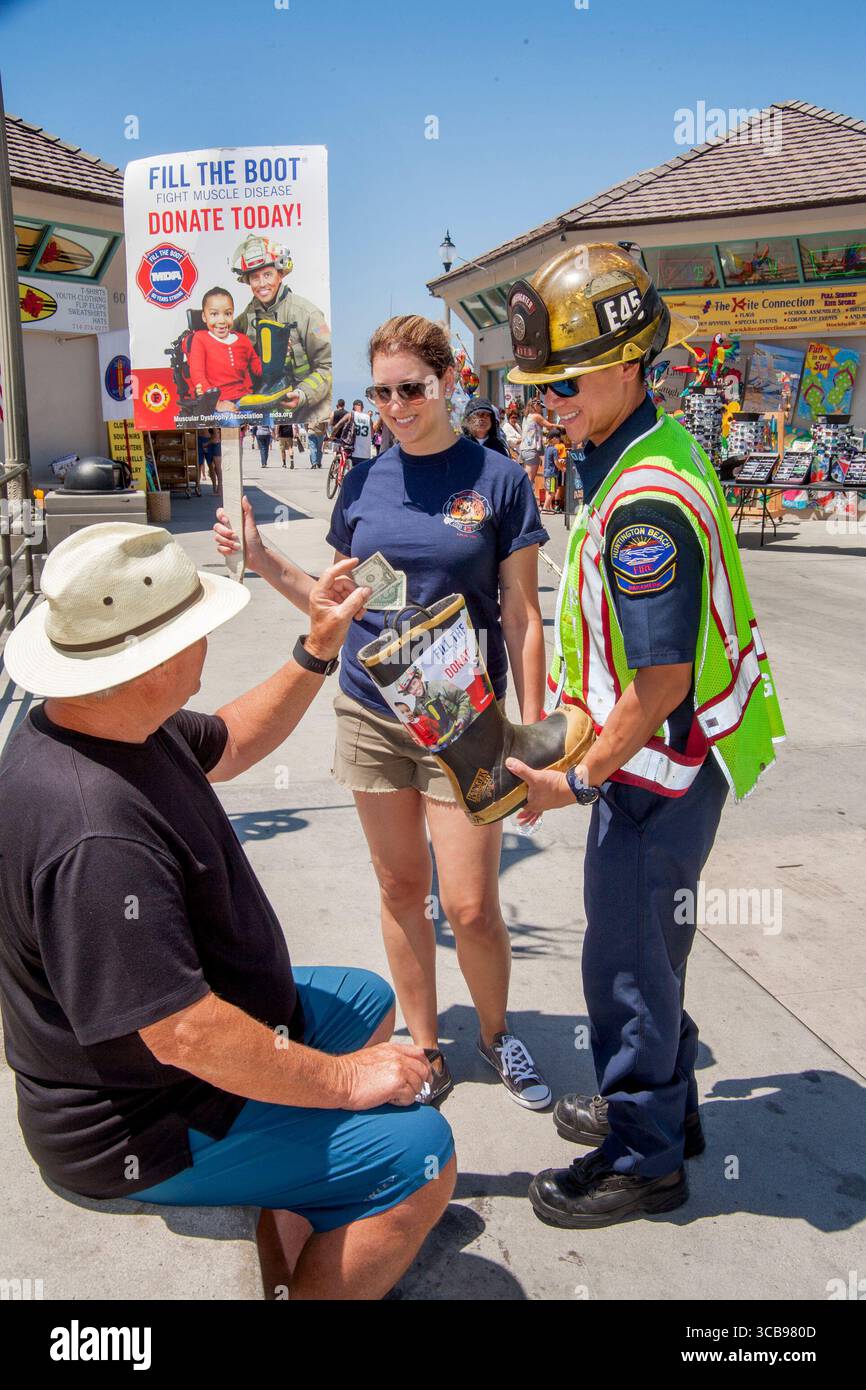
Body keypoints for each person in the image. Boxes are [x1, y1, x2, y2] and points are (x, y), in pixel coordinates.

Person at [0, 522, 454, 1300]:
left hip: (191, 1050)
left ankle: (297, 1210)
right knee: (422, 1155)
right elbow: (183, 1034)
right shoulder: (94, 834)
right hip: (147, 1123)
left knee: (366, 1000)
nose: (209, 645)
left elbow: (235, 741)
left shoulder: (103, 717)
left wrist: (315, 649)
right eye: (200, 630)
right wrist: (344, 1084)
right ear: (155, 663)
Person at [502, 242, 785, 1228]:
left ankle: (644, 1157)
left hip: (655, 774)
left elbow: (660, 678)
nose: (549, 402)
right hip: (668, 764)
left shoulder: (641, 506)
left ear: (626, 363)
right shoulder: (635, 448)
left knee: (622, 960)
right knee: (652, 948)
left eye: (565, 381)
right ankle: (667, 1108)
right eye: (538, 386)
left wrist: (572, 782)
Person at [215, 315, 552, 1112]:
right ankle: (426, 1046)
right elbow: (332, 607)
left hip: (464, 719)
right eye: (383, 391)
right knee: (402, 887)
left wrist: (532, 737)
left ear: (449, 382)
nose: (397, 404)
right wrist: (262, 558)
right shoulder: (364, 481)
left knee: (470, 904)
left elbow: (523, 615)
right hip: (371, 711)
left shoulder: (499, 479)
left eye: (413, 387)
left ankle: (499, 1034)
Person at [231, 236, 332, 431]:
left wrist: (302, 394)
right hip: (265, 407)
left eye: (267, 275)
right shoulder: (248, 316)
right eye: (254, 277)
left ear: (280, 274)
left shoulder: (308, 314)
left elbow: (327, 366)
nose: (261, 284)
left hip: (305, 406)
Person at [188, 286, 262, 413]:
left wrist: (280, 353)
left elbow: (259, 369)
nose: (221, 320)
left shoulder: (243, 340)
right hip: (216, 402)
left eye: (227, 314)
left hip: (244, 398)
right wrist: (218, 404)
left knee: (267, 415)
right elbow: (198, 376)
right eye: (214, 314)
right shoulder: (200, 339)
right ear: (204, 317)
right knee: (231, 422)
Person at [518, 394, 546, 485]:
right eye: (540, 406)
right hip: (531, 449)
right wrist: (562, 426)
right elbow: (549, 425)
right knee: (529, 480)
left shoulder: (526, 417)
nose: (541, 409)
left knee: (525, 477)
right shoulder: (535, 416)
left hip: (524, 449)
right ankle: (525, 498)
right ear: (535, 406)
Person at [541, 428, 566, 513]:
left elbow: (550, 460)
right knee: (552, 492)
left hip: (546, 472)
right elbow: (556, 462)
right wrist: (562, 469)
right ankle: (545, 508)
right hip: (552, 473)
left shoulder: (547, 448)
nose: (560, 440)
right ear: (554, 439)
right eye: (558, 438)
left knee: (548, 491)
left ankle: (549, 508)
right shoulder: (554, 449)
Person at [350, 398, 374, 468]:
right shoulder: (368, 418)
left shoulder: (352, 414)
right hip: (366, 454)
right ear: (362, 407)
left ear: (354, 406)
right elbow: (372, 435)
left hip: (354, 452)